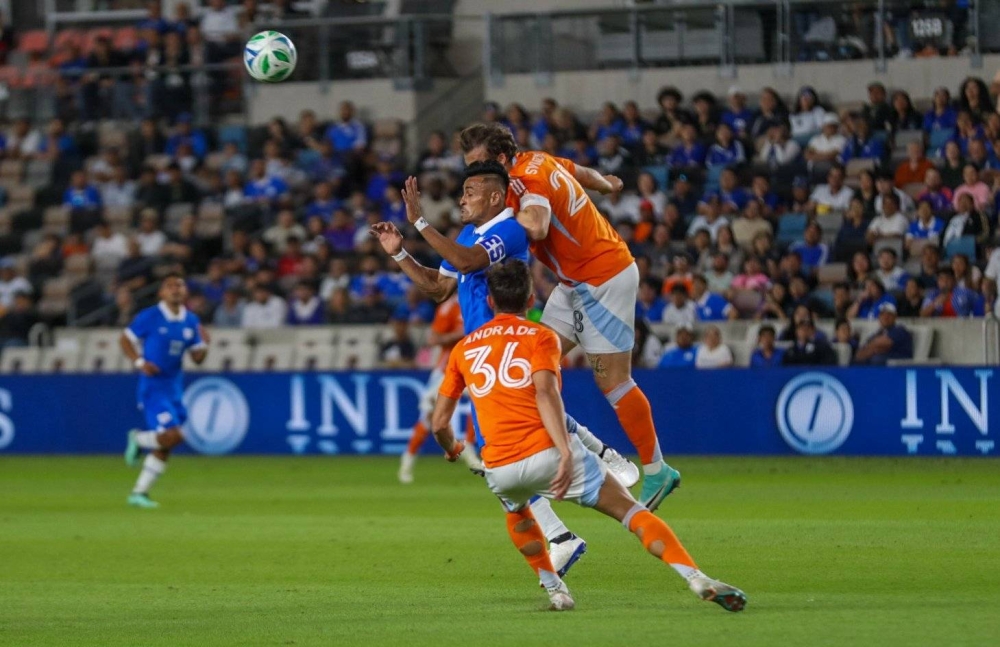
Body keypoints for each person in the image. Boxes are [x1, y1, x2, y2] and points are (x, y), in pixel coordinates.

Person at [431, 260, 745, 612]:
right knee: (630, 511)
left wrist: (454, 449)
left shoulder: (464, 349)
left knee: (517, 510)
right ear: (531, 298)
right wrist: (565, 451)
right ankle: (695, 577)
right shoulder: (542, 337)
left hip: (500, 466)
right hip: (549, 453)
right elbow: (546, 394)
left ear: (489, 300)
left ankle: (556, 591)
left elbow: (439, 423)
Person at [370, 161, 632, 577]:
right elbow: (439, 288)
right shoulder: (466, 234)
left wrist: (420, 220)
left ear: (495, 196)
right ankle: (588, 486)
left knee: (500, 454)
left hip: (507, 341)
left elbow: (470, 262)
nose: (461, 199)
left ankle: (581, 504)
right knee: (505, 449)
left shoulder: (508, 229)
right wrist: (399, 252)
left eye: (470, 191)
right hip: (482, 350)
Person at [460, 123, 680, 510]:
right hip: (573, 283)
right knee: (528, 365)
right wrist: (606, 186)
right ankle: (586, 447)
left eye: (477, 165)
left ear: (499, 160)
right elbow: (582, 173)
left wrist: (502, 224)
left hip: (603, 277)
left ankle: (657, 469)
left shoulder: (523, 180)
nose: (472, 176)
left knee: (613, 381)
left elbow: (539, 223)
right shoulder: (539, 160)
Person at [120, 274, 208, 508]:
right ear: (161, 293)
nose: (175, 289)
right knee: (174, 435)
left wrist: (205, 344)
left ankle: (139, 493)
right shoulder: (150, 316)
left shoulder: (191, 320)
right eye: (170, 286)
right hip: (153, 387)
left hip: (175, 388)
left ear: (185, 292)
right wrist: (140, 362)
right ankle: (137, 439)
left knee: (166, 444)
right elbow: (125, 340)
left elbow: (197, 358)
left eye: (179, 285)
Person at [397, 294, 475, 485]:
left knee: (481, 401)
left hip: (474, 366)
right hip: (446, 370)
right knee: (429, 417)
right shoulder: (450, 307)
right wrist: (460, 334)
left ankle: (471, 451)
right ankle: (407, 462)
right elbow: (434, 338)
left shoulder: (482, 300)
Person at [921, 268, 985, 318]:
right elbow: (922, 315)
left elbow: (981, 302)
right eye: (941, 279)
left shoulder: (965, 293)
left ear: (954, 280)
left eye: (948, 278)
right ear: (938, 282)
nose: (945, 282)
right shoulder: (932, 295)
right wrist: (935, 304)